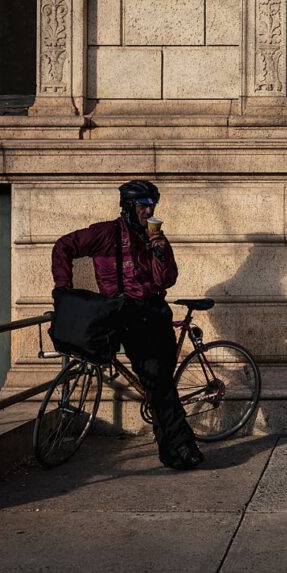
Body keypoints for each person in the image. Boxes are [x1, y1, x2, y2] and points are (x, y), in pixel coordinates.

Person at [51, 180, 203, 470]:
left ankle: (174, 449)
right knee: (158, 382)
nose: (149, 210)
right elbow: (64, 246)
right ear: (129, 206)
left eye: (152, 205)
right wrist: (64, 289)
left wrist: (160, 252)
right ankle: (181, 448)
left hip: (157, 312)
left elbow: (166, 280)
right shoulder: (106, 233)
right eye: (143, 205)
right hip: (127, 315)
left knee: (160, 385)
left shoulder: (155, 237)